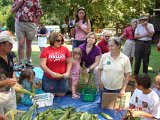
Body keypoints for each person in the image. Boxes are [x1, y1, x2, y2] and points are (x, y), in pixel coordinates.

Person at [11, 0, 43, 69]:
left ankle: (28, 61)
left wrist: (36, 24)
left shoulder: (35, 0)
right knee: (21, 43)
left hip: (31, 23)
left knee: (29, 44)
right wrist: (18, 4)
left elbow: (39, 13)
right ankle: (20, 62)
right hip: (19, 23)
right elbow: (12, 11)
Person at [40, 32, 72, 97]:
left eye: (61, 40)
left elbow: (69, 62)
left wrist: (67, 72)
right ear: (52, 40)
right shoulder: (46, 50)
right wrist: (52, 73)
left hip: (62, 77)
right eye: (58, 40)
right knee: (51, 95)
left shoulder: (65, 49)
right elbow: (42, 64)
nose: (60, 42)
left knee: (61, 95)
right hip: (49, 78)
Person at [0, 34, 17, 115]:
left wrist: (14, 81)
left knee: (12, 116)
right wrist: (5, 82)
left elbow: (12, 70)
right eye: (9, 44)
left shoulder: (10, 54)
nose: (12, 46)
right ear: (2, 45)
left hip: (10, 93)